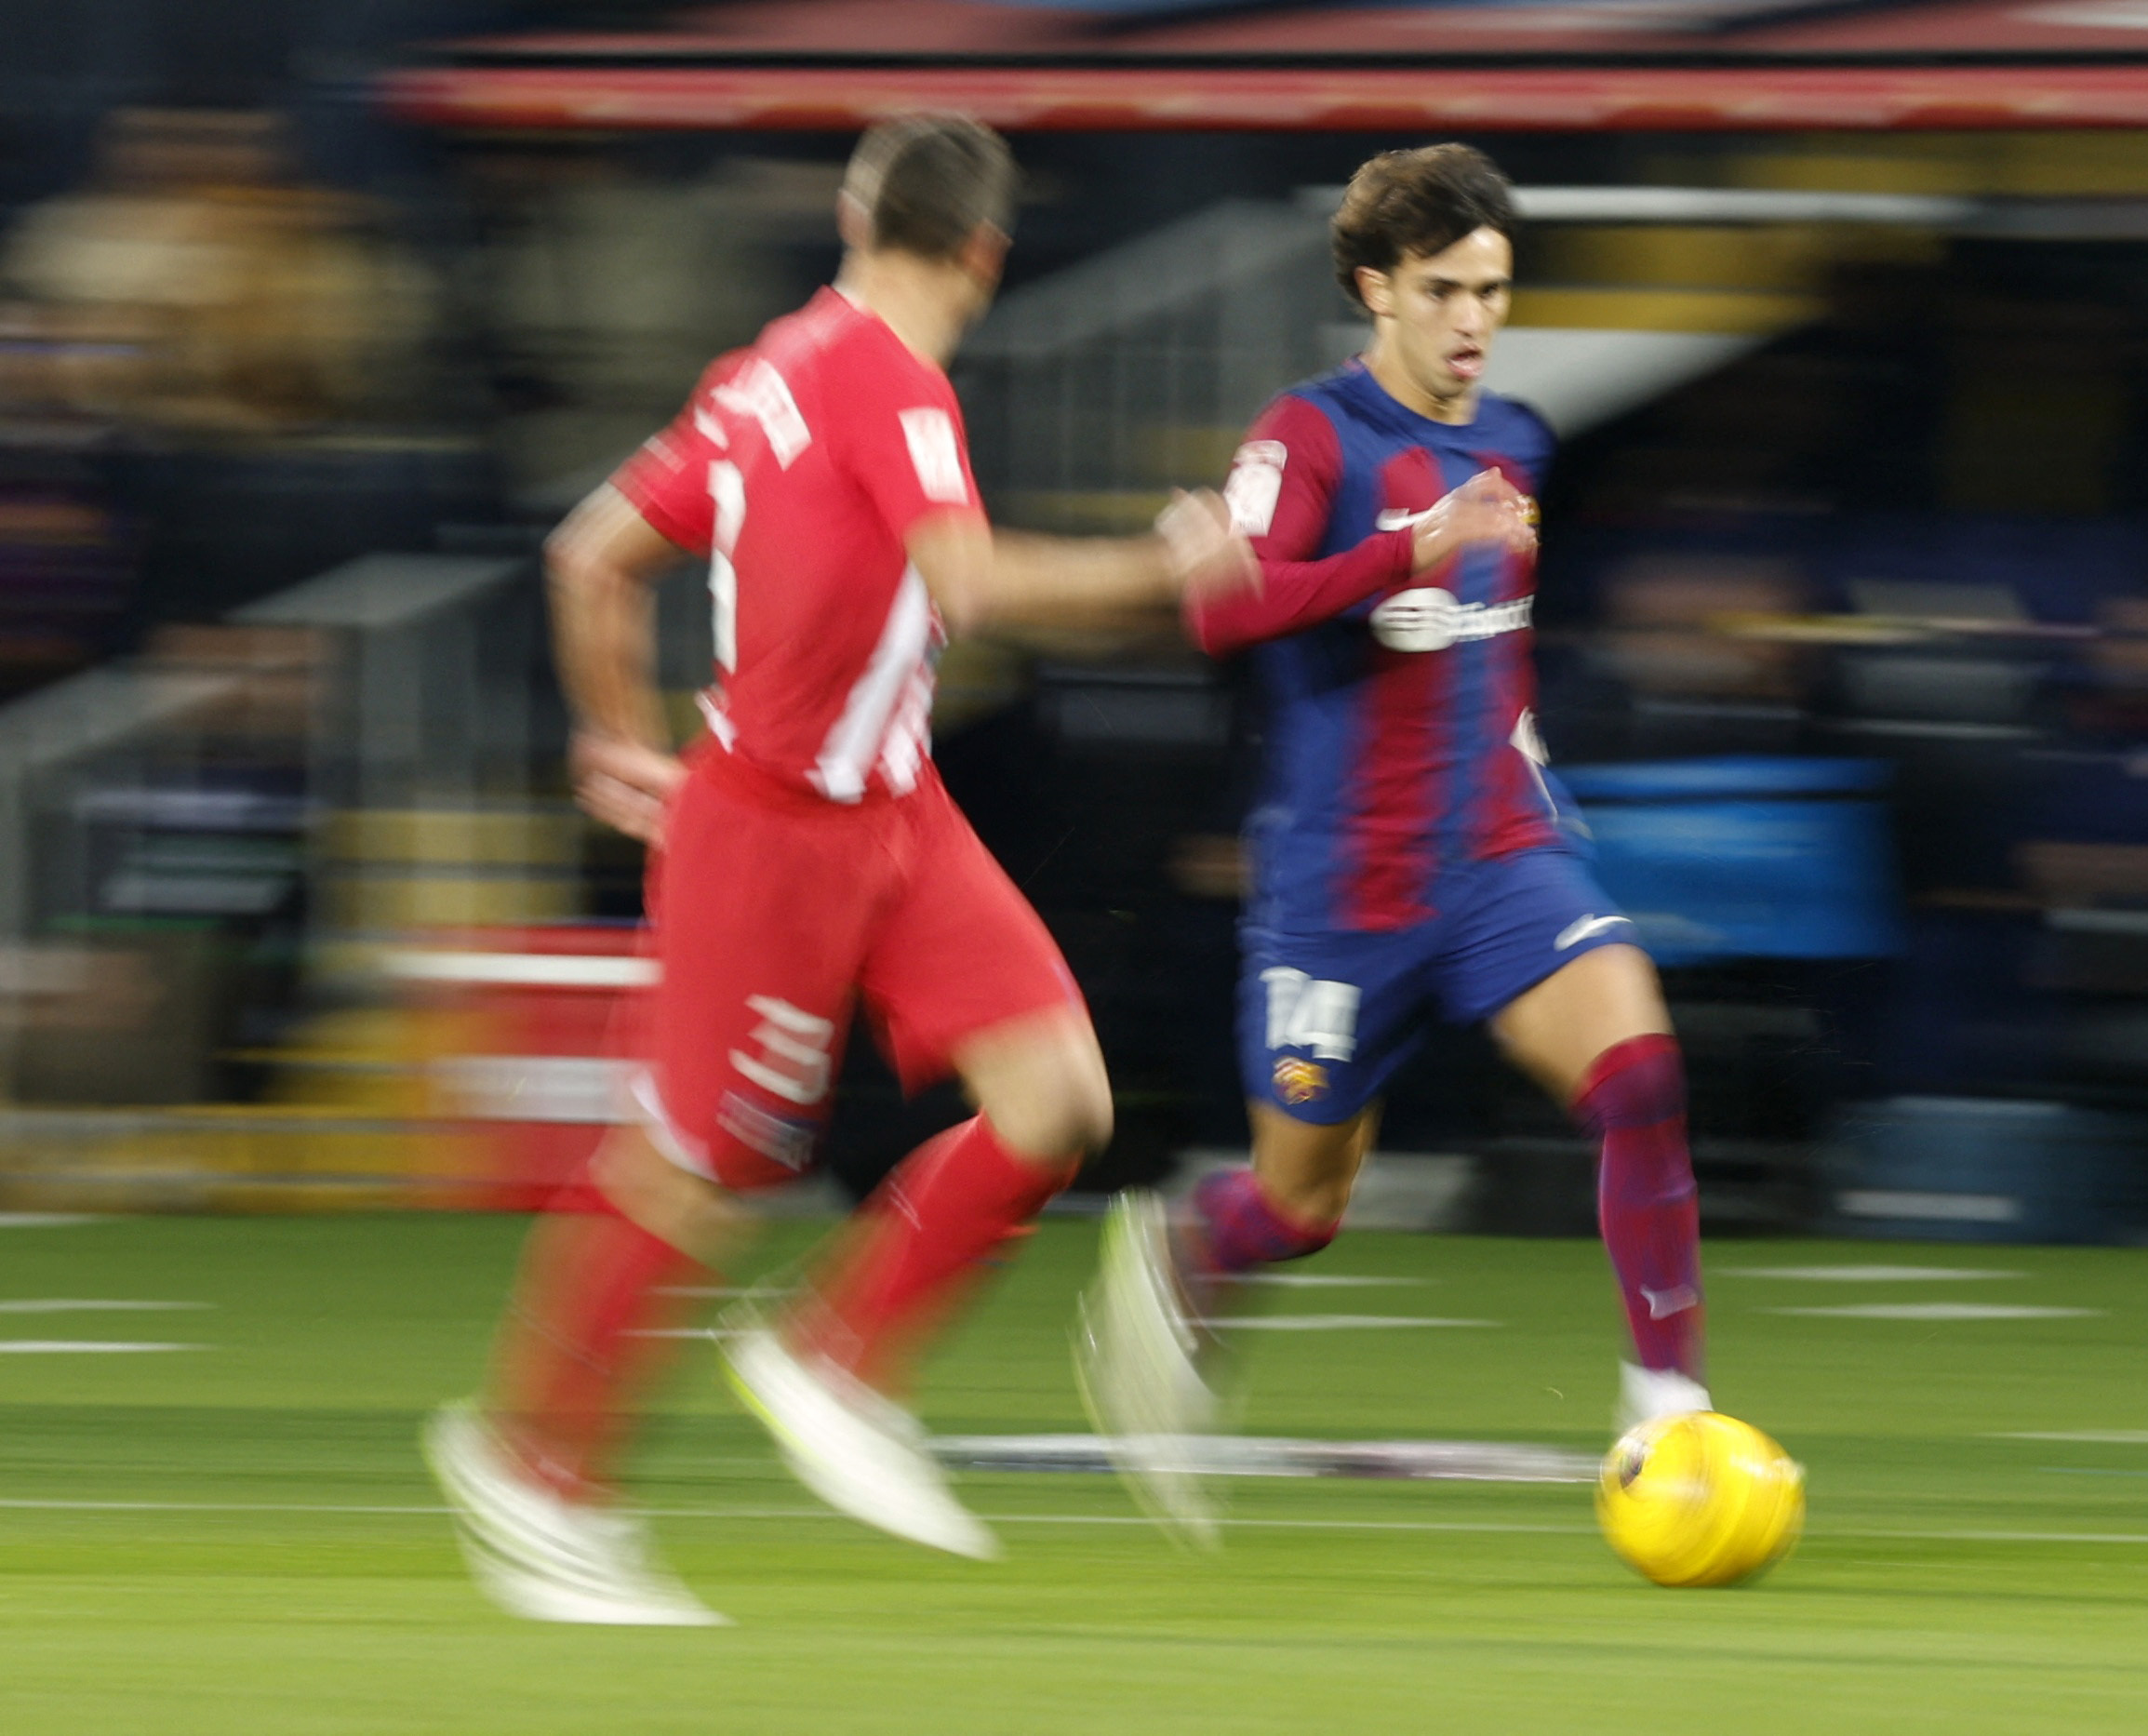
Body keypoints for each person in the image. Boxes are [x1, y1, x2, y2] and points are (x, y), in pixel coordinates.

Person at [423, 114, 1255, 1624]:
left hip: (894, 809)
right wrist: (1168, 563)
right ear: (987, 256)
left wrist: (612, 734)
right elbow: (975, 584)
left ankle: (830, 1353)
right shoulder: (889, 381)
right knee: (694, 1171)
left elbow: (589, 553)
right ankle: (531, 1472)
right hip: (775, 832)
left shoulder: (769, 367)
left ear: (851, 214)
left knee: (1056, 1096)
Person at [1077, 144, 1710, 1543]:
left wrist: (1523, 758)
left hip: (1495, 859)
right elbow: (1223, 611)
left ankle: (1667, 1408)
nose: (1474, 321)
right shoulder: (1301, 439)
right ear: (1374, 289)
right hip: (1341, 893)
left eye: (1492, 290)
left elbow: (1494, 646)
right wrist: (1403, 553)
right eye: (1443, 291)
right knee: (1300, 1205)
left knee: (1640, 1070)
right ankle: (1188, 1262)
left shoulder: (1520, 440)